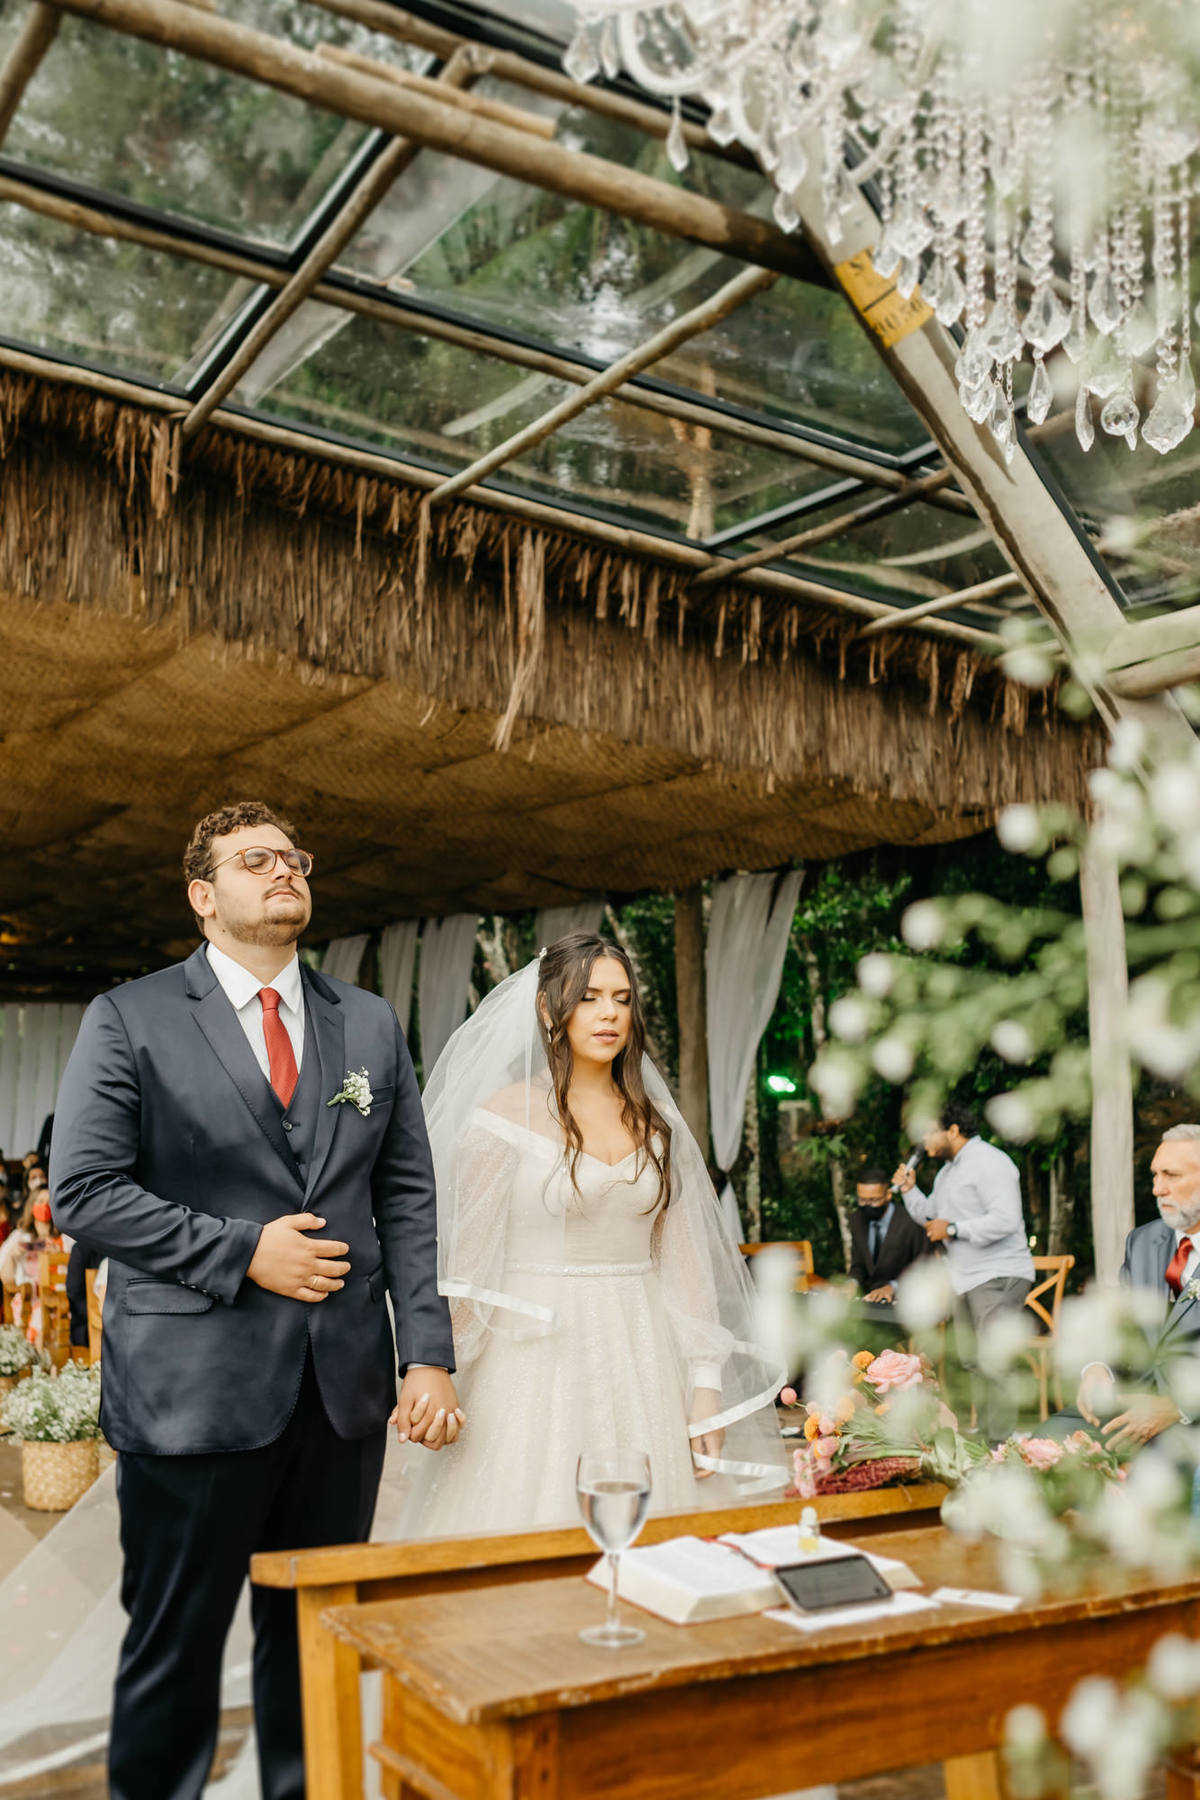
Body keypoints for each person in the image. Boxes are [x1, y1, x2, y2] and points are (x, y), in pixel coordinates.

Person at [49, 800, 461, 1800]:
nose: (284, 872)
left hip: (342, 1395)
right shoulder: (131, 1018)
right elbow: (85, 1196)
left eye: (294, 859)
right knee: (174, 1652)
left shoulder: (364, 1021)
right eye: (254, 860)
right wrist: (244, 1254)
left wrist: (428, 1351)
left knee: (314, 1645)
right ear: (204, 896)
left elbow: (404, 1193)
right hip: (191, 1395)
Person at [398, 933, 789, 1536]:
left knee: (648, 1534)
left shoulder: (657, 1126)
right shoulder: (501, 1119)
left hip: (642, 1350)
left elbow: (683, 1261)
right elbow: (467, 1269)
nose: (609, 1013)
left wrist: (705, 1385)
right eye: (588, 997)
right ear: (548, 1008)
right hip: (528, 1360)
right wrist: (438, 1373)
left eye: (622, 998)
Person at [893, 1100, 1034, 1438]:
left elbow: (1006, 1219)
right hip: (965, 1277)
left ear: (952, 1130)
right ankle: (986, 1432)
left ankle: (1001, 1439)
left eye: (929, 1131)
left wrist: (954, 1229)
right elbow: (931, 1217)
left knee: (995, 1360)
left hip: (998, 1274)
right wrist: (910, 1192)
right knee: (973, 1360)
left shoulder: (990, 1163)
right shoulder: (947, 1172)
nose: (923, 1140)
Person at [1073, 1123, 1200, 1453]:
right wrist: (1096, 1367)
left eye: (1171, 1176)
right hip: (1127, 1403)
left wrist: (1177, 1407)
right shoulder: (1142, 1241)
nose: (1157, 1188)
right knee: (1042, 1444)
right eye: (1155, 1175)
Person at [846, 1166, 931, 1305]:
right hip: (869, 1299)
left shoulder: (911, 1221)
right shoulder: (857, 1220)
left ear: (888, 1195)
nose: (867, 1206)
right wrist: (852, 1283)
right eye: (862, 1200)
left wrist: (893, 1287)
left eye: (873, 1200)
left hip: (908, 1302)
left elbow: (924, 1266)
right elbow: (858, 1265)